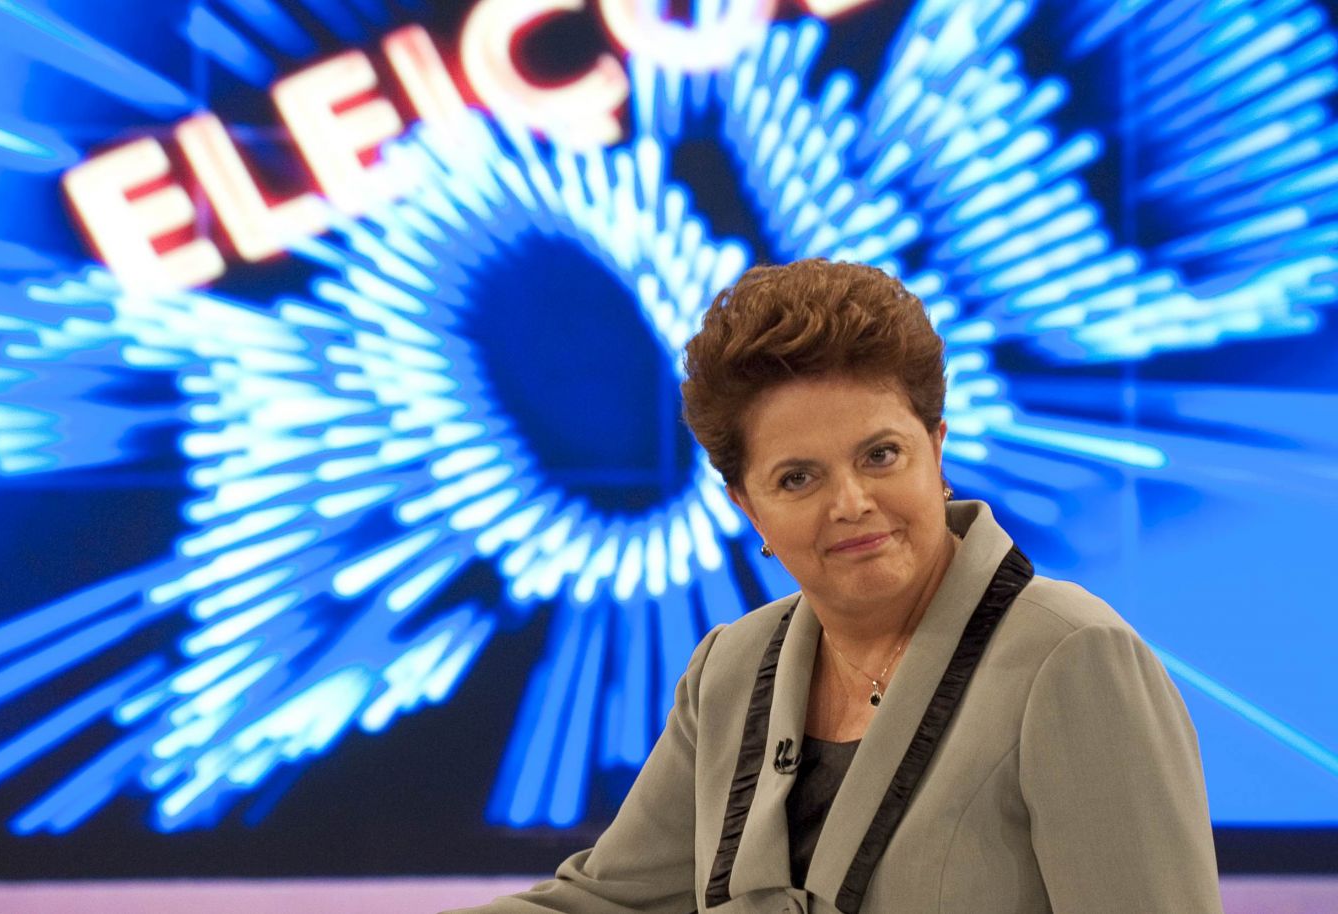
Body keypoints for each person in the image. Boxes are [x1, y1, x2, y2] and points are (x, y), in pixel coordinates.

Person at [447, 260, 1220, 913]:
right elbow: (607, 906)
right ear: (747, 506)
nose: (850, 501)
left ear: (936, 448)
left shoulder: (1075, 656)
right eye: (798, 477)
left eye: (880, 455)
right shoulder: (732, 668)